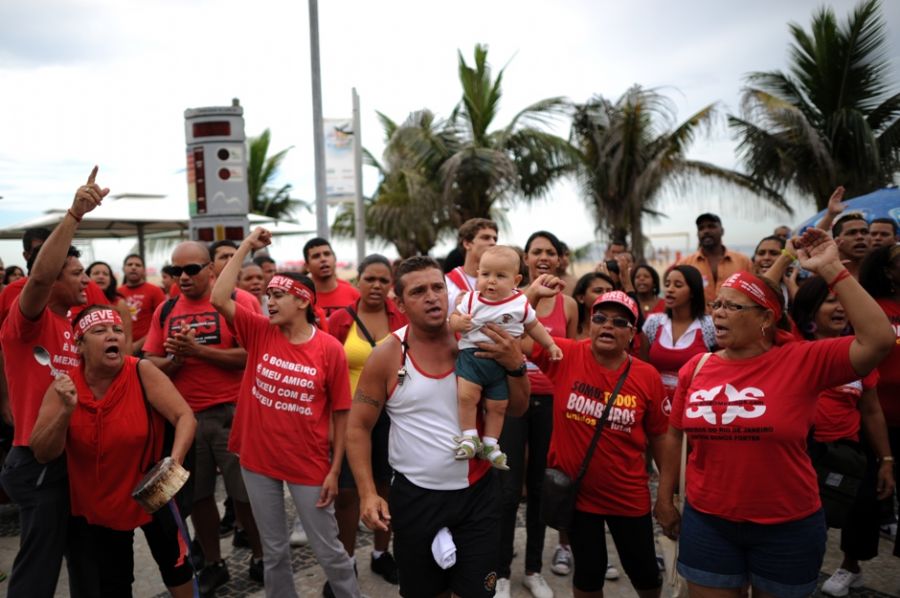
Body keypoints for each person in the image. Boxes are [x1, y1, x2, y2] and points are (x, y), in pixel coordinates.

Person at [655, 228, 895, 598]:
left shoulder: (803, 360)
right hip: (709, 522)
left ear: (766, 318)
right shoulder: (697, 367)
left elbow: (879, 340)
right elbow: (674, 436)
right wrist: (665, 498)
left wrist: (832, 268)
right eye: (717, 304)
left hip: (788, 527)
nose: (718, 313)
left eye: (731, 306)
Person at [346, 255, 529, 598]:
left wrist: (515, 365)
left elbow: (517, 408)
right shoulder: (388, 355)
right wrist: (368, 493)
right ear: (399, 303)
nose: (432, 297)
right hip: (415, 498)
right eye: (418, 291)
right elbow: (357, 427)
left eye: (437, 288)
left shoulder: (479, 340)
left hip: (477, 495)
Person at [210, 227, 361, 598]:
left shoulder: (328, 350)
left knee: (329, 549)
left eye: (278, 296)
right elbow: (218, 296)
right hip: (257, 460)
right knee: (275, 551)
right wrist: (246, 245)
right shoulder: (260, 331)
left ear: (303, 301)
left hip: (307, 462)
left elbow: (342, 413)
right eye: (268, 296)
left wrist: (335, 468)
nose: (269, 303)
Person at [29, 305, 197, 597]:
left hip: (153, 491)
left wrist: (174, 463)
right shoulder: (64, 386)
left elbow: (184, 417)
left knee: (176, 566)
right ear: (79, 345)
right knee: (114, 583)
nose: (113, 336)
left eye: (117, 330)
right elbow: (43, 452)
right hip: (99, 504)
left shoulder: (142, 370)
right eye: (100, 331)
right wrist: (65, 412)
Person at [0, 167, 106, 597]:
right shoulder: (28, 322)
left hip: (72, 459)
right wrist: (74, 215)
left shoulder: (72, 327)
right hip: (36, 459)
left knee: (84, 559)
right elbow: (40, 277)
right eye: (77, 272)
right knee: (38, 569)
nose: (87, 279)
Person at [530, 287, 668, 598]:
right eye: (601, 318)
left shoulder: (647, 377)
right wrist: (532, 295)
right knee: (589, 571)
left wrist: (666, 496)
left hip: (627, 493)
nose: (608, 326)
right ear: (589, 324)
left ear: (632, 334)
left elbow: (661, 437)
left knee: (644, 571)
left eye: (620, 322)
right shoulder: (563, 354)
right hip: (579, 495)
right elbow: (515, 334)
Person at [143, 241, 264, 593]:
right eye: (177, 270)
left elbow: (252, 353)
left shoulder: (238, 302)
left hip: (233, 414)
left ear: (211, 270)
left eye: (192, 269)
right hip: (186, 419)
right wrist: (177, 361)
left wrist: (198, 351)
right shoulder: (166, 311)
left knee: (245, 496)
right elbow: (150, 361)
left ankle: (260, 556)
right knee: (197, 497)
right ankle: (214, 561)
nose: (183, 277)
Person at [790, 276, 895, 596]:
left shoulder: (861, 356)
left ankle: (851, 566)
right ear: (809, 312)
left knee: (859, 512)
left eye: (843, 301)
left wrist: (886, 460)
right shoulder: (791, 350)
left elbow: (872, 411)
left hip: (848, 451)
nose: (840, 308)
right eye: (830, 301)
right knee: (808, 522)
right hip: (804, 452)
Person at [327, 254, 407, 590]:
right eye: (370, 279)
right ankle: (346, 564)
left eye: (383, 280)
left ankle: (379, 554)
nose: (376, 286)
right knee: (346, 493)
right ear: (357, 280)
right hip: (349, 418)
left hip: (393, 416)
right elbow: (326, 371)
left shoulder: (400, 317)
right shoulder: (340, 320)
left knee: (386, 486)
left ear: (391, 286)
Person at [449, 246, 562, 470]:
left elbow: (534, 325)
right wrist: (458, 323)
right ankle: (470, 436)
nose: (491, 281)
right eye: (485, 274)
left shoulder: (520, 303)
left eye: (500, 276)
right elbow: (453, 318)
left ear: (516, 280)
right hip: (472, 357)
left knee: (498, 405)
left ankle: (491, 443)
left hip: (501, 366)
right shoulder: (471, 299)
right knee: (466, 396)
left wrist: (550, 344)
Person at [514, 231, 579, 591]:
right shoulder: (511, 299)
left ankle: (533, 569)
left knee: (542, 487)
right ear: (525, 258)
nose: (543, 257)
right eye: (536, 251)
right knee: (507, 489)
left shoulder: (568, 305)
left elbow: (570, 358)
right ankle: (501, 571)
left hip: (552, 403)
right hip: (512, 399)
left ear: (559, 259)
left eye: (550, 252)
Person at [859, 244, 900, 562]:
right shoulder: (874, 308)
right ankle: (852, 562)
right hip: (875, 418)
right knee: (868, 497)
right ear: (888, 271)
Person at [641, 265, 716, 397]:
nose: (669, 290)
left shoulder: (709, 326)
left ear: (693, 291)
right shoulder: (653, 323)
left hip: (693, 402)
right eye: (667, 284)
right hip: (656, 401)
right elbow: (642, 366)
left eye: (678, 285)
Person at [677, 213, 753, 304]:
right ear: (697, 234)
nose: (706, 231)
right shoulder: (685, 264)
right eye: (701, 228)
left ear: (722, 231)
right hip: (698, 317)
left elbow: (753, 294)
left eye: (711, 226)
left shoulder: (743, 262)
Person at [445, 217, 499, 309]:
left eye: (495, 239)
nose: (493, 242)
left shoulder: (502, 282)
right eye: (486, 238)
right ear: (467, 244)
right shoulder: (446, 283)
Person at [118, 253, 166, 354]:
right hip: (121, 348)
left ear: (144, 270)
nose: (133, 267)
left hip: (148, 349)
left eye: (138, 265)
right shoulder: (116, 293)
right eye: (130, 264)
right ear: (123, 268)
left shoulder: (155, 291)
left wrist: (137, 345)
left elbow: (163, 322)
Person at [303, 238, 360, 317]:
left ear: (335, 259)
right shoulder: (302, 299)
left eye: (327, 254)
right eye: (316, 256)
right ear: (307, 266)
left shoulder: (354, 294)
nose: (323, 259)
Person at [86, 261, 133, 353]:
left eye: (105, 274)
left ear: (111, 279)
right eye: (96, 273)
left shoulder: (120, 304)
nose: (101, 276)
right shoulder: (78, 302)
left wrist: (127, 364)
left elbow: (127, 339)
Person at [572, 272, 616, 340]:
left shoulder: (619, 328)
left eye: (610, 292)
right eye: (598, 291)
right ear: (581, 298)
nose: (605, 295)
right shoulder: (569, 328)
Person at [833, 213, 871, 279]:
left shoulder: (884, 274)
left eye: (865, 232)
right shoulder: (825, 277)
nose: (860, 237)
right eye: (852, 233)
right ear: (837, 241)